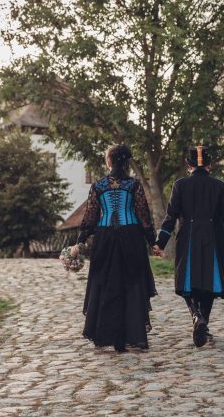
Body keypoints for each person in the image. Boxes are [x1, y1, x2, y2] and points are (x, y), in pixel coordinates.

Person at [70, 145, 157, 352]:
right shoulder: (133, 185)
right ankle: (132, 334)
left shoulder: (98, 186)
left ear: (109, 161)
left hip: (106, 238)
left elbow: (89, 218)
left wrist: (79, 242)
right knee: (132, 284)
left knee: (106, 284)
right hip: (131, 237)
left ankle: (107, 333)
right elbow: (144, 216)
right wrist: (153, 242)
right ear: (125, 162)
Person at [153, 145, 224, 347]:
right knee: (208, 284)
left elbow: (171, 216)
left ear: (188, 165)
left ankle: (196, 316)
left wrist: (160, 243)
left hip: (188, 237)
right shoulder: (219, 186)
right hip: (213, 238)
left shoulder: (180, 185)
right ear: (210, 164)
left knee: (187, 282)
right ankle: (203, 323)